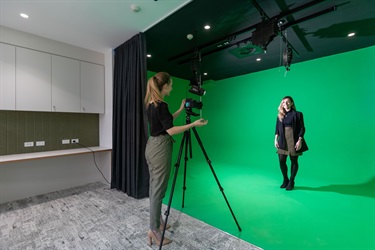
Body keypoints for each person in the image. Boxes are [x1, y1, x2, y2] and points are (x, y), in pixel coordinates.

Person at [144, 72, 208, 246]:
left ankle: (157, 223)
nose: (172, 88)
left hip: (151, 146)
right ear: (164, 86)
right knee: (158, 191)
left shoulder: (152, 103)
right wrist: (193, 125)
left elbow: (164, 122)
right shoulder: (161, 104)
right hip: (160, 149)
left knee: (154, 188)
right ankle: (154, 229)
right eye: (170, 85)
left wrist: (180, 110)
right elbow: (170, 130)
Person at [274, 96, 308, 191]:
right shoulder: (280, 115)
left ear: (292, 103)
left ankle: (291, 181)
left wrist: (299, 140)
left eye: (288, 102)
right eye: (284, 102)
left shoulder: (298, 114)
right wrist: (276, 139)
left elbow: (302, 128)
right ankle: (285, 179)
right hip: (282, 140)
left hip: (293, 140)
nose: (286, 104)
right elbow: (277, 129)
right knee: (281, 161)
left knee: (294, 161)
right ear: (282, 104)